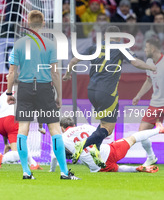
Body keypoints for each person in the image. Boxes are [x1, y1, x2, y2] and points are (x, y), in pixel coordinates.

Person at [63, 26, 157, 168]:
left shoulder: (94, 47)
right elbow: (135, 62)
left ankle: (95, 150)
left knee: (102, 124)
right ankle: (84, 145)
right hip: (107, 92)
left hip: (91, 91)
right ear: (119, 37)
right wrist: (151, 67)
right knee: (108, 128)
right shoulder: (120, 47)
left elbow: (73, 61)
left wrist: (67, 74)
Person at [6, 10, 80, 180]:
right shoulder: (50, 44)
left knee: (23, 129)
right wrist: (59, 96)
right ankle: (63, 172)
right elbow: (55, 73)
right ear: (44, 23)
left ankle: (26, 171)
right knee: (54, 129)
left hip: (24, 88)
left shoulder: (19, 44)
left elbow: (11, 72)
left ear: (28, 23)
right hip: (44, 88)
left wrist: (9, 92)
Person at [50, 117, 161, 173]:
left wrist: (52, 170)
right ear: (74, 124)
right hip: (109, 151)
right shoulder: (85, 127)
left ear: (62, 128)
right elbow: (103, 136)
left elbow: (55, 156)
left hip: (97, 167)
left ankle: (136, 169)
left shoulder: (62, 138)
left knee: (115, 168)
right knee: (133, 138)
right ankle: (159, 130)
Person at [0, 87, 42, 170]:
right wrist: (40, 126)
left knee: (22, 145)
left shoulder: (3, 95)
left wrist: (6, 144)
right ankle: (2, 158)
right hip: (12, 121)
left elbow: (2, 115)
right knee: (18, 152)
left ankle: (33, 164)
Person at [132, 38, 164, 166]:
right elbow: (149, 81)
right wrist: (138, 96)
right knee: (141, 133)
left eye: (146, 48)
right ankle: (151, 157)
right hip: (155, 104)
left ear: (153, 49)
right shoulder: (149, 62)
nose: (144, 50)